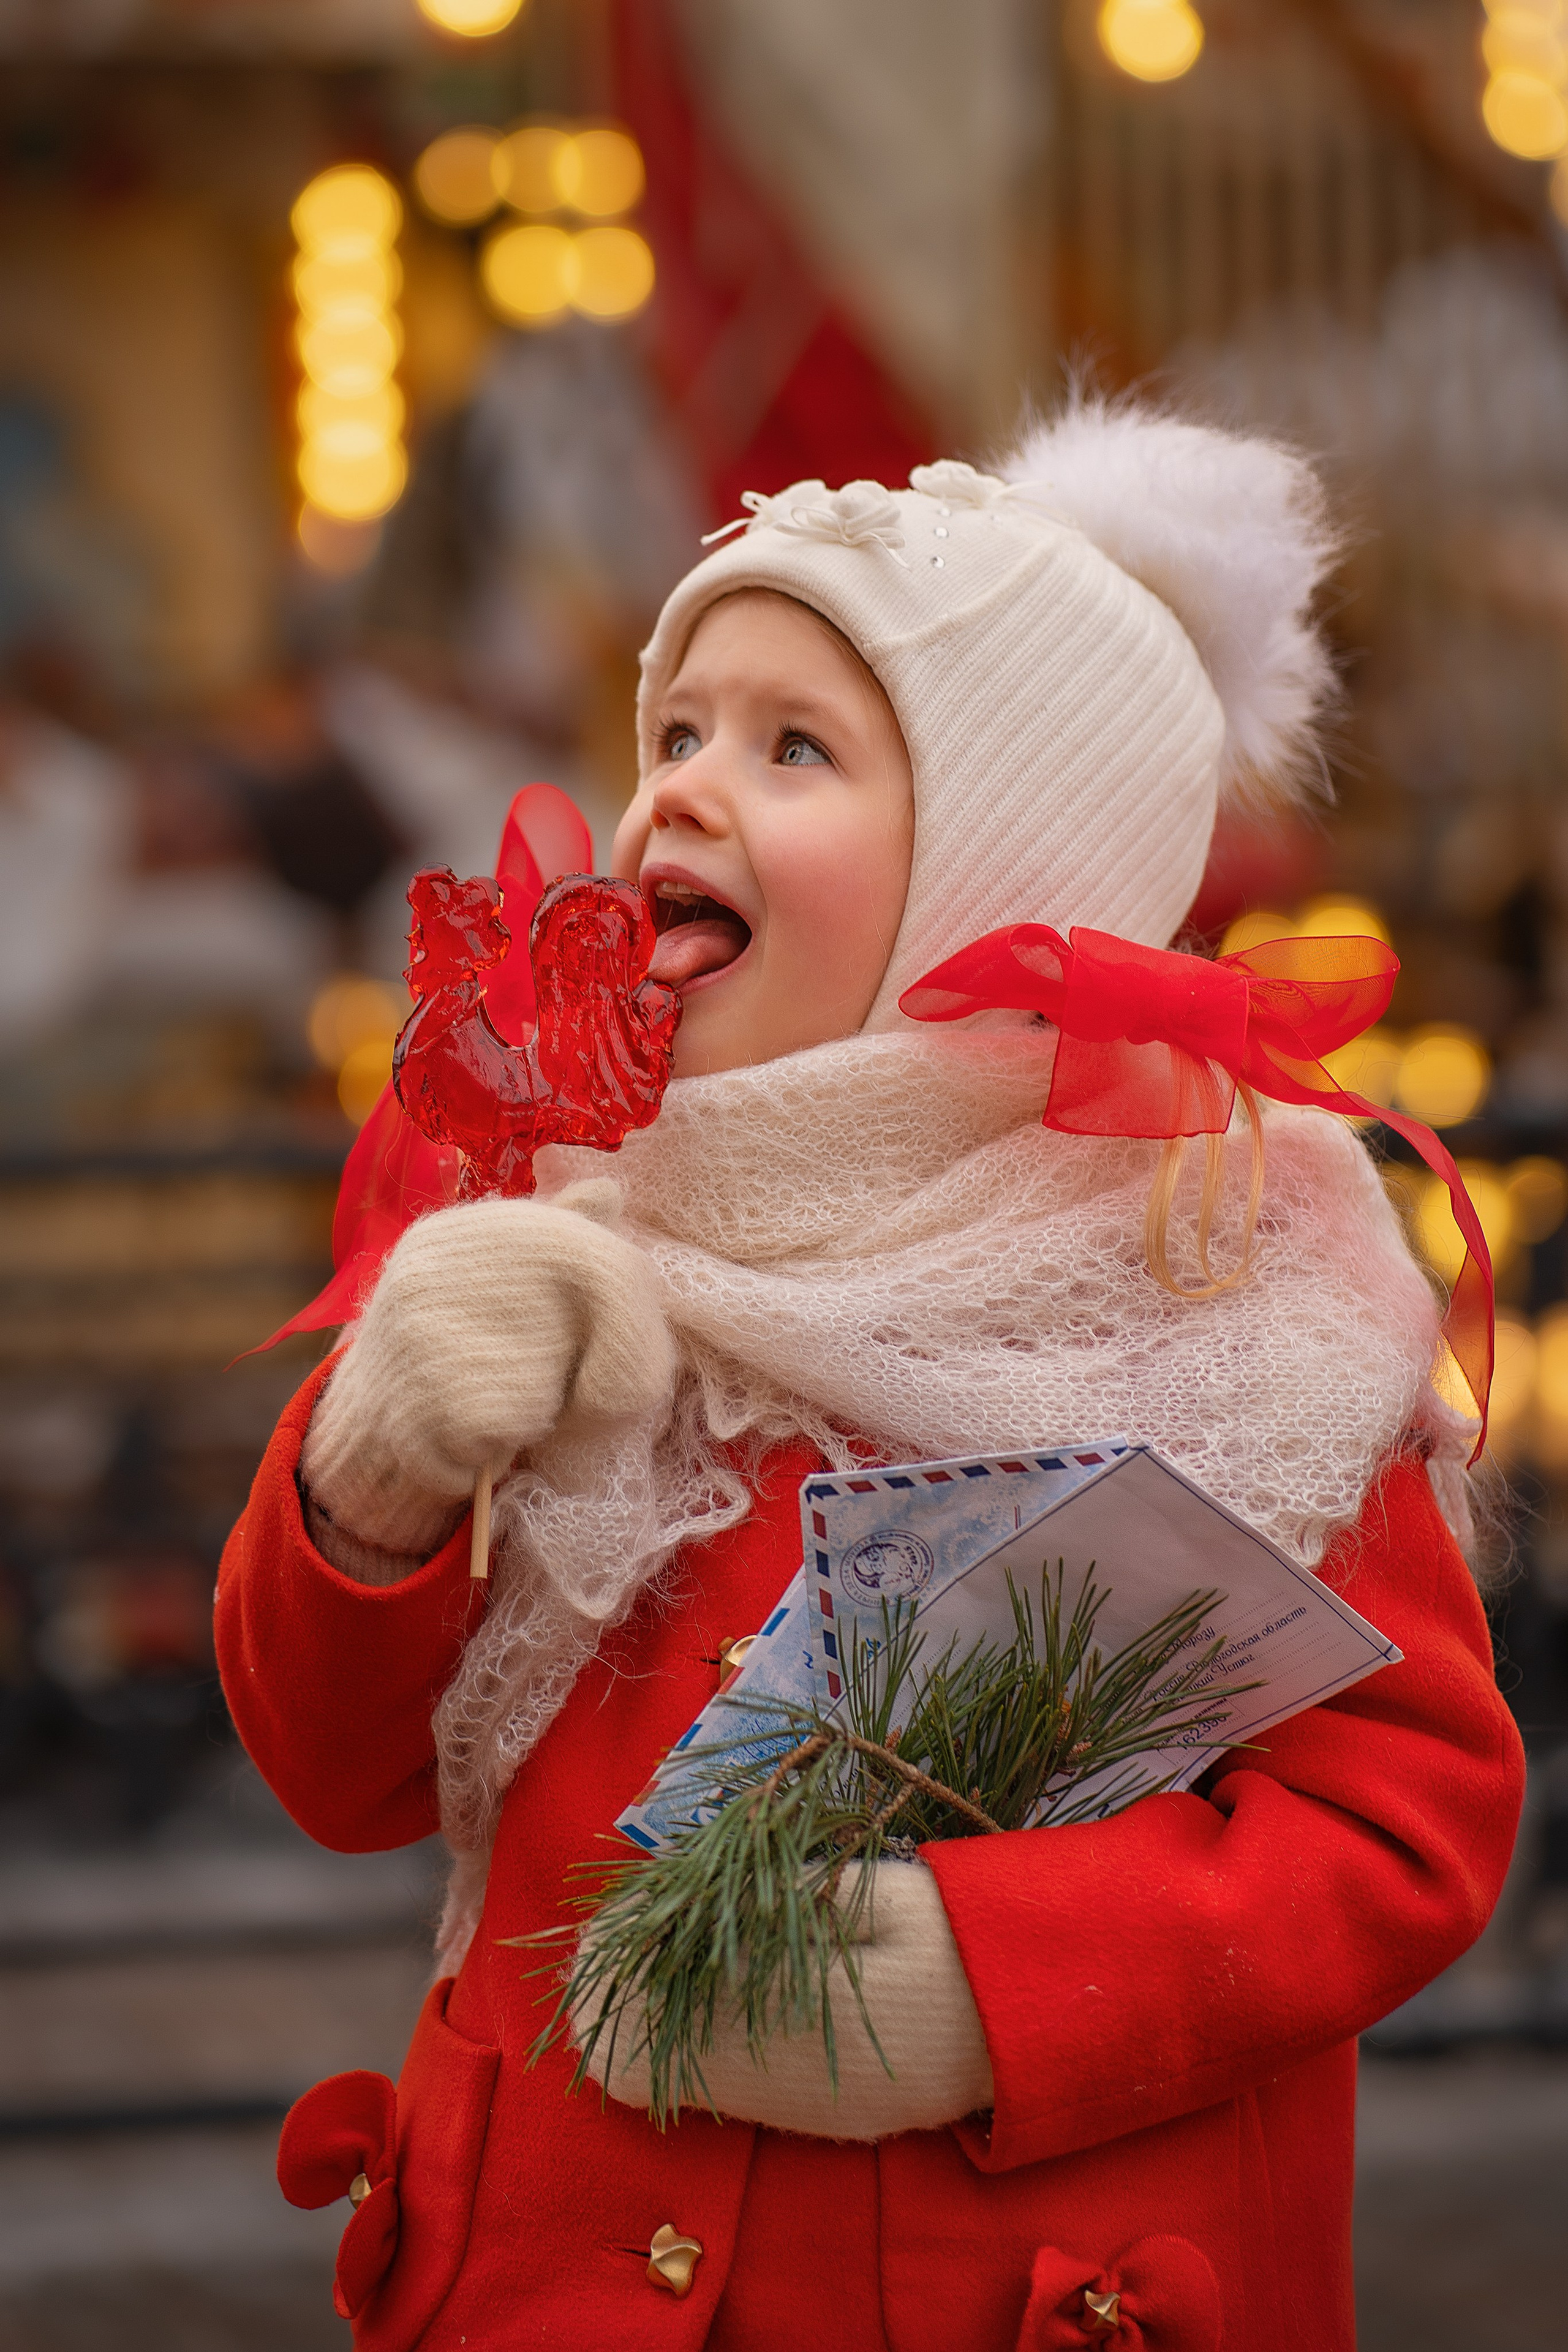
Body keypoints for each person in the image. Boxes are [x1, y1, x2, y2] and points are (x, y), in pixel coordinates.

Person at [216, 402, 1523, 2352]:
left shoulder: (1224, 1277)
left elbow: (1406, 1822)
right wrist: (373, 1475)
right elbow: (338, 1773)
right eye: (676, 730)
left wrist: (995, 1985)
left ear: (1006, 860)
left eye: (794, 746)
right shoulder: (558, 1208)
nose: (681, 793)